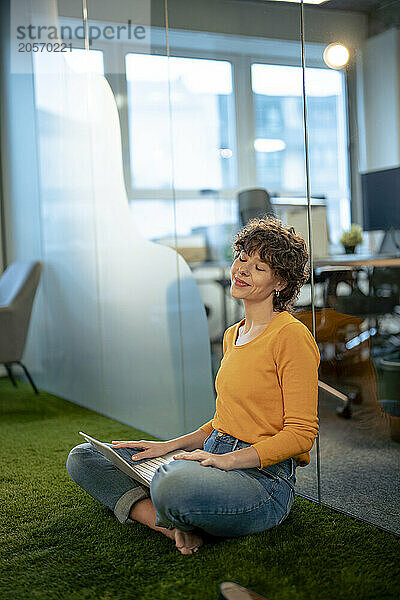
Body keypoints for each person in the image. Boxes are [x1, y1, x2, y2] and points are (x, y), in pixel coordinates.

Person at [66, 215, 320, 555]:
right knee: (84, 458)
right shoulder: (234, 333)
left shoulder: (291, 336)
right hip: (210, 457)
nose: (242, 270)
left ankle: (173, 507)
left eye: (258, 268)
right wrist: (164, 447)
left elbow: (302, 434)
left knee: (173, 482)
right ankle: (169, 525)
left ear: (280, 283)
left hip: (263, 481)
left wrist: (229, 462)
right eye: (242, 258)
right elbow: (223, 422)